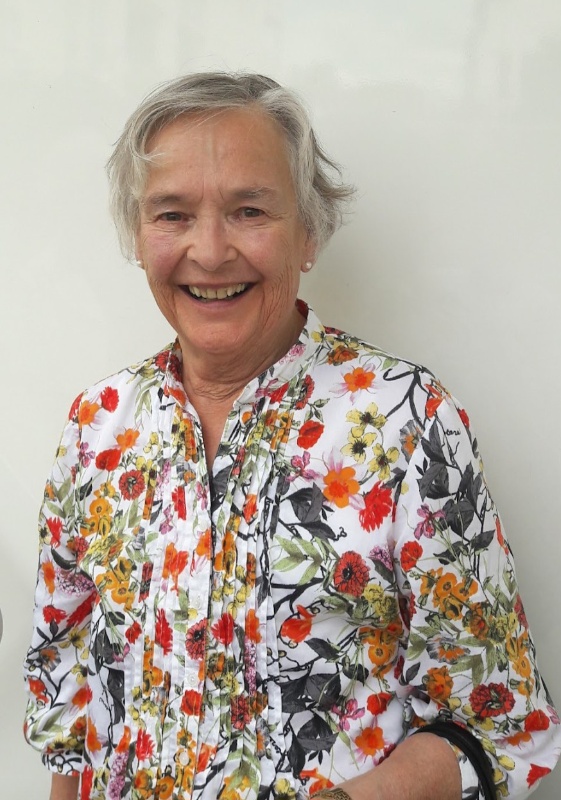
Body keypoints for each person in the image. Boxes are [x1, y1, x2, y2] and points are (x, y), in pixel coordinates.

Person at [24, 72, 560, 800]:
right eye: (172, 215)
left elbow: (498, 721)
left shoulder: (405, 421)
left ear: (308, 231)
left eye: (249, 211)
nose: (210, 251)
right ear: (138, 236)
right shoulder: (98, 425)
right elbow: (72, 698)